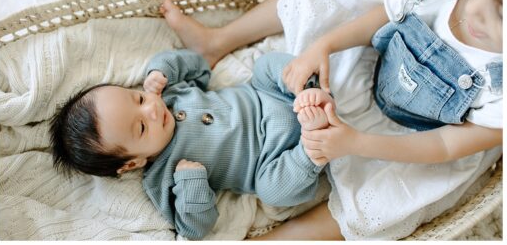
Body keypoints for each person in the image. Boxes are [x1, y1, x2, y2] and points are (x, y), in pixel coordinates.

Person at [157, 0, 502, 240]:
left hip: (414, 137)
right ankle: (217, 42)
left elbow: (445, 146)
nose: (473, 9)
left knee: (380, 204)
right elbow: (389, 15)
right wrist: (324, 45)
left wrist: (355, 143)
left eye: (499, 12)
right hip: (369, 60)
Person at [49, 49, 333, 240]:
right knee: (273, 191)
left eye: (137, 99)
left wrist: (162, 71)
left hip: (264, 95)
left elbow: (199, 69)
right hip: (274, 156)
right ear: (133, 162)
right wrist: (191, 182)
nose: (151, 110)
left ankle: (306, 89)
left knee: (267, 65)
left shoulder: (168, 92)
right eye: (142, 127)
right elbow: (194, 228)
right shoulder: (162, 178)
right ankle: (313, 143)